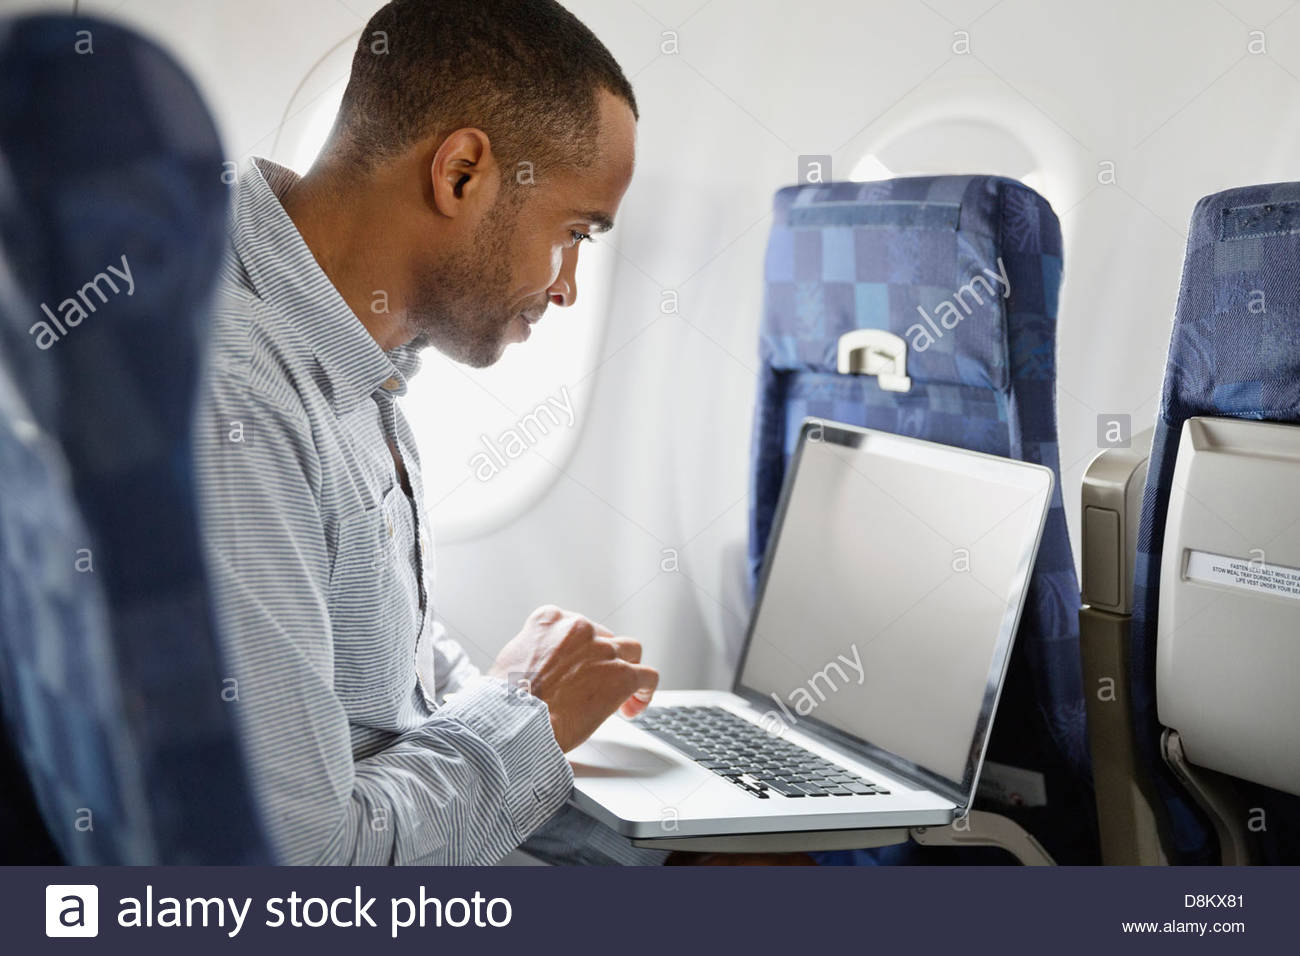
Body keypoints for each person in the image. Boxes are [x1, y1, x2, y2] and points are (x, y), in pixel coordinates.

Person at [194, 0, 664, 865]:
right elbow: (306, 872)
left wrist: (663, 848)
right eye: (572, 232)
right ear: (461, 174)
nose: (567, 289)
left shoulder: (351, 356)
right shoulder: (239, 401)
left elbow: (375, 699)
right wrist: (528, 711)